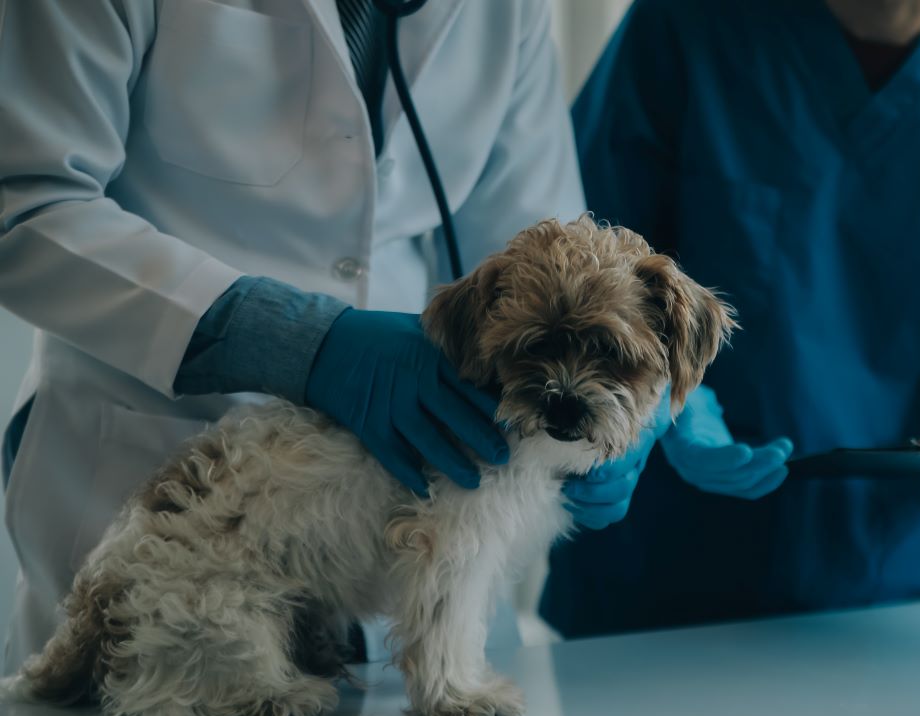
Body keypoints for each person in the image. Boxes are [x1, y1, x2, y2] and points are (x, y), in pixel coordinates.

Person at [0, 0, 587, 672]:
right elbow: (24, 202)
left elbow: (536, 245)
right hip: (161, 460)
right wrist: (296, 340)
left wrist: (591, 407)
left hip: (414, 501)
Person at [541, 0, 920, 637]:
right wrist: (673, 405)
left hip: (906, 593)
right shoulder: (682, 30)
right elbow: (581, 260)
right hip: (666, 582)